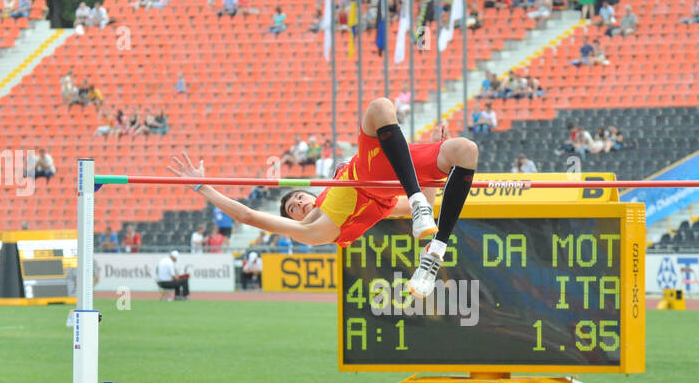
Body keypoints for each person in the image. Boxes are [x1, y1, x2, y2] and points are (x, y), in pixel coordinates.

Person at [169, 98, 478, 299]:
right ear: (294, 220)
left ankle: (435, 250)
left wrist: (437, 159)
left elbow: (428, 204)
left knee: (465, 150)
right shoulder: (317, 230)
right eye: (293, 209)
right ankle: (427, 231)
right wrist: (203, 187)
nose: (300, 204)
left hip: (398, 165)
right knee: (381, 107)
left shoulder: (329, 194)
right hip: (372, 172)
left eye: (300, 197)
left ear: (312, 193)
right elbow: (248, 216)